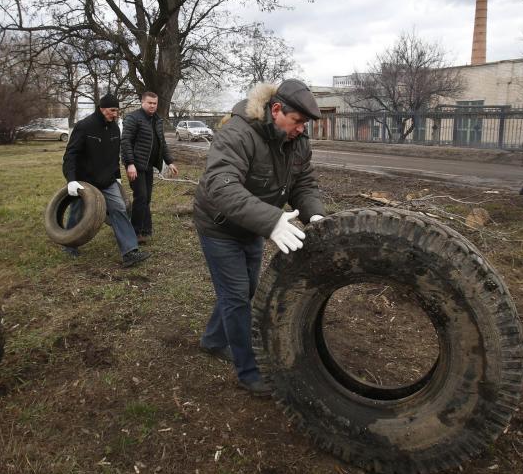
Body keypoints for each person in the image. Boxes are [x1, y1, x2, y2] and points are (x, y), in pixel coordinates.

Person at [192, 78, 326, 395]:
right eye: (297, 122)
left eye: (304, 124)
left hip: (255, 224)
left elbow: (303, 184)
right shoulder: (238, 133)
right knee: (238, 296)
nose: (300, 130)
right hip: (220, 224)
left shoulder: (297, 142)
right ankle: (248, 372)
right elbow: (222, 188)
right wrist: (271, 221)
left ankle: (212, 339)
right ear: (276, 110)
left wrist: (315, 214)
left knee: (245, 289)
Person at [63, 94, 151, 267]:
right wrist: (71, 180)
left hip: (107, 180)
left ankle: (129, 252)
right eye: (112, 110)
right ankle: (70, 244)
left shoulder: (114, 129)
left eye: (117, 111)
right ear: (102, 109)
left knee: (119, 209)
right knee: (78, 212)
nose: (115, 114)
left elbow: (113, 156)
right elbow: (70, 155)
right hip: (85, 181)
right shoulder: (84, 126)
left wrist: (117, 176)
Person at [120, 91, 179, 242]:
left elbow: (162, 143)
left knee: (147, 199)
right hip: (136, 166)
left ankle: (145, 230)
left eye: (155, 103)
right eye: (149, 103)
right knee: (141, 197)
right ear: (142, 102)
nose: (152, 106)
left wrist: (170, 161)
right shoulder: (133, 118)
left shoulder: (157, 120)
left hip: (148, 166)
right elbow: (125, 142)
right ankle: (133, 233)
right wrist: (130, 164)